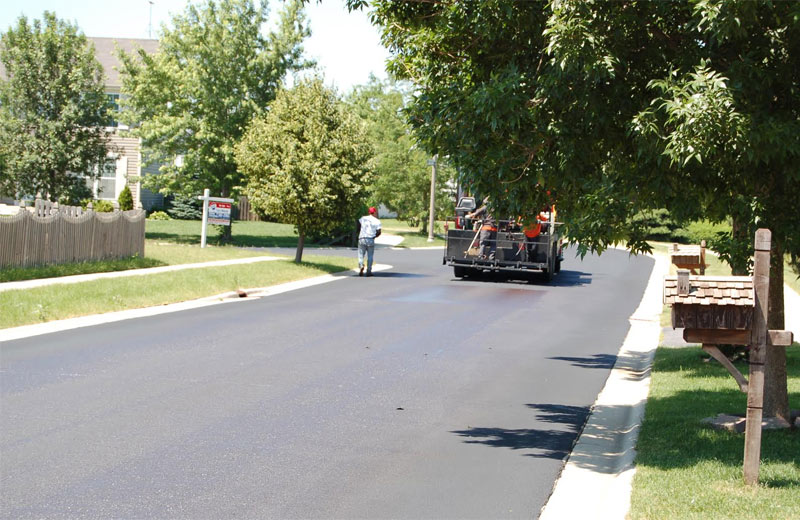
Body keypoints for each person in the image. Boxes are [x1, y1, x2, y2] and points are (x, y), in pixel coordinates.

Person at [356, 206, 382, 276]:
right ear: (375, 212)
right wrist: (374, 236)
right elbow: (379, 232)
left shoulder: (363, 218)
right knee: (370, 256)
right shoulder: (377, 221)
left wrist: (359, 232)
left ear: (369, 212)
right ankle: (369, 271)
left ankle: (361, 265)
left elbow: (358, 225)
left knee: (361, 254)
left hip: (362, 238)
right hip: (370, 239)